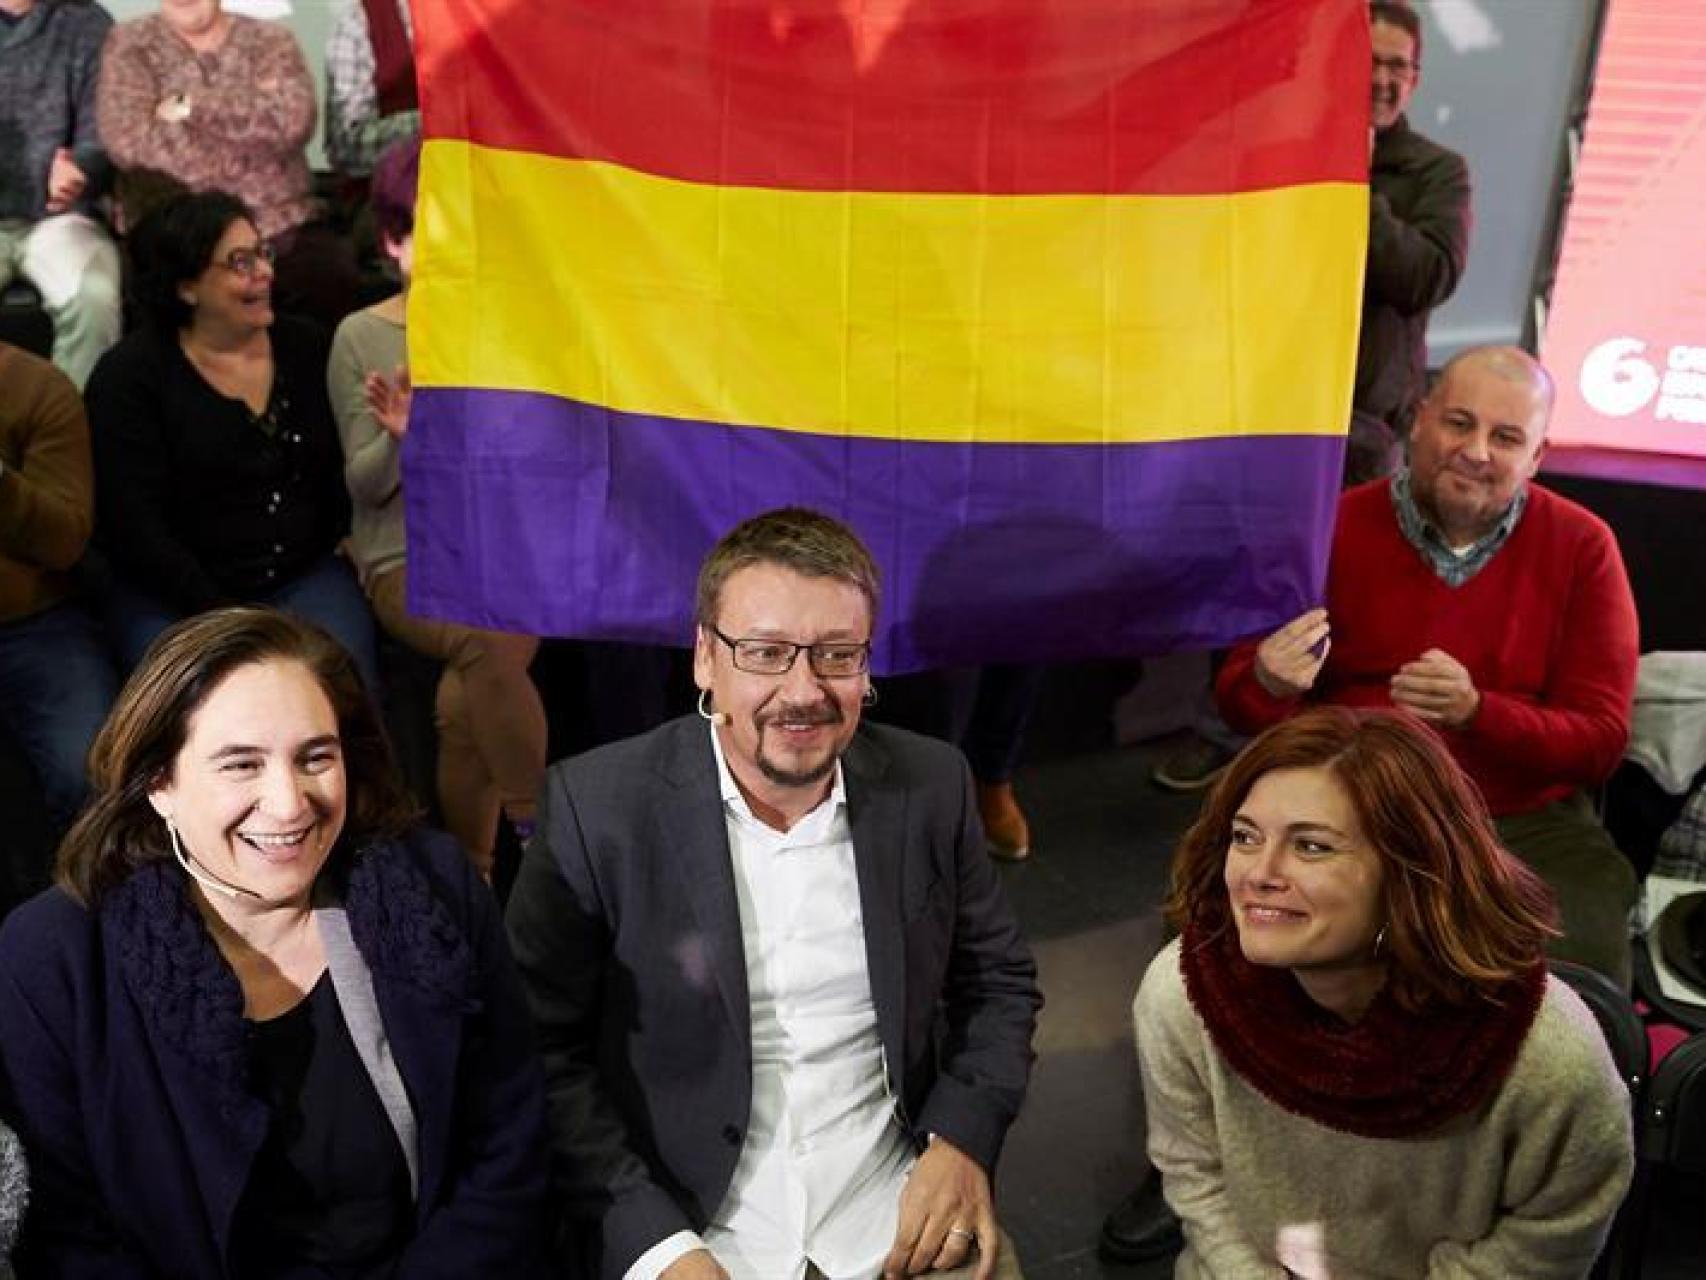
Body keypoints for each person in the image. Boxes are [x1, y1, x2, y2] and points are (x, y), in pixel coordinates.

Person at [507, 507, 1042, 1280]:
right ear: (704, 659)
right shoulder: (598, 810)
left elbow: (999, 984)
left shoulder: (932, 785)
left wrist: (962, 1140)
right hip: (692, 1230)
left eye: (835, 655)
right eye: (764, 653)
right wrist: (657, 1245)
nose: (803, 691)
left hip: (895, 1219)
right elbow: (538, 1051)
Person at [0, 606, 551, 1276]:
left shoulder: (433, 885)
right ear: (159, 784)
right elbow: (69, 1240)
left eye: (315, 757)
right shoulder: (51, 958)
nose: (289, 803)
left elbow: (508, 1142)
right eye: (241, 765)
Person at [1138, 706, 1632, 1276]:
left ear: (1411, 873)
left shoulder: (1550, 1059)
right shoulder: (1180, 992)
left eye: (1312, 847)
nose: (1258, 872)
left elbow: (1546, 1242)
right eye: (1245, 836)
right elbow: (1195, 1178)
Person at [1217, 345, 1639, 986]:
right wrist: (1270, 681)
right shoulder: (1332, 526)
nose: (1476, 451)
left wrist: (1480, 713)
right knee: (1221, 932)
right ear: (1419, 420)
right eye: (1459, 423)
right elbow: (1238, 701)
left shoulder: (1583, 546)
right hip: (1344, 798)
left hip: (1514, 815)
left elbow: (1600, 743)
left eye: (1505, 437)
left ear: (1537, 456)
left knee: (1583, 954)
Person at [330, 137, 546, 871]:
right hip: (405, 558)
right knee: (482, 648)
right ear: (394, 242)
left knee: (463, 708)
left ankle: (473, 882)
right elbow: (364, 487)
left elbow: (536, 461)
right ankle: (540, 846)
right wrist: (406, 439)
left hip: (509, 552)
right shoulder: (362, 336)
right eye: (433, 231)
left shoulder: (511, 326)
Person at [84, 191, 380, 690]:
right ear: (186, 286)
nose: (263, 272)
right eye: (239, 263)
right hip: (174, 594)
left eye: (263, 253)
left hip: (303, 575)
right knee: (205, 702)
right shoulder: (129, 378)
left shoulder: (305, 346)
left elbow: (334, 481)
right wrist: (231, 617)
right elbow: (135, 530)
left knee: (343, 689)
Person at [96, 0, 358, 325]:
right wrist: (252, 141)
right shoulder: (130, 44)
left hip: (279, 223)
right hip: (175, 228)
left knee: (326, 275)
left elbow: (292, 123)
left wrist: (188, 105)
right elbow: (130, 145)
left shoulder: (270, 41)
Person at [0, 340, 118, 852]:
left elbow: (66, 540)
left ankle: (101, 908)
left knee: (90, 768)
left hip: (33, 621)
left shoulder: (38, 387)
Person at [1353, 0, 1472, 472]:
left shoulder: (1439, 171)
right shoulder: (1287, 152)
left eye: (1397, 66)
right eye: (1370, 62)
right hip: (1268, 410)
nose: (1383, 80)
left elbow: (1427, 278)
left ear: (1415, 79)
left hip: (1365, 431)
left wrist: (1353, 184)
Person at [0, 0, 121, 388]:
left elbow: (102, 134)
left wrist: (80, 169)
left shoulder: (88, 23)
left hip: (63, 219)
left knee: (95, 300)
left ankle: (67, 439)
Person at [324, 0, 418, 179]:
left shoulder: (472, 19)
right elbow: (349, 146)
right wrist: (434, 125)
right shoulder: (356, 24)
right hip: (388, 197)